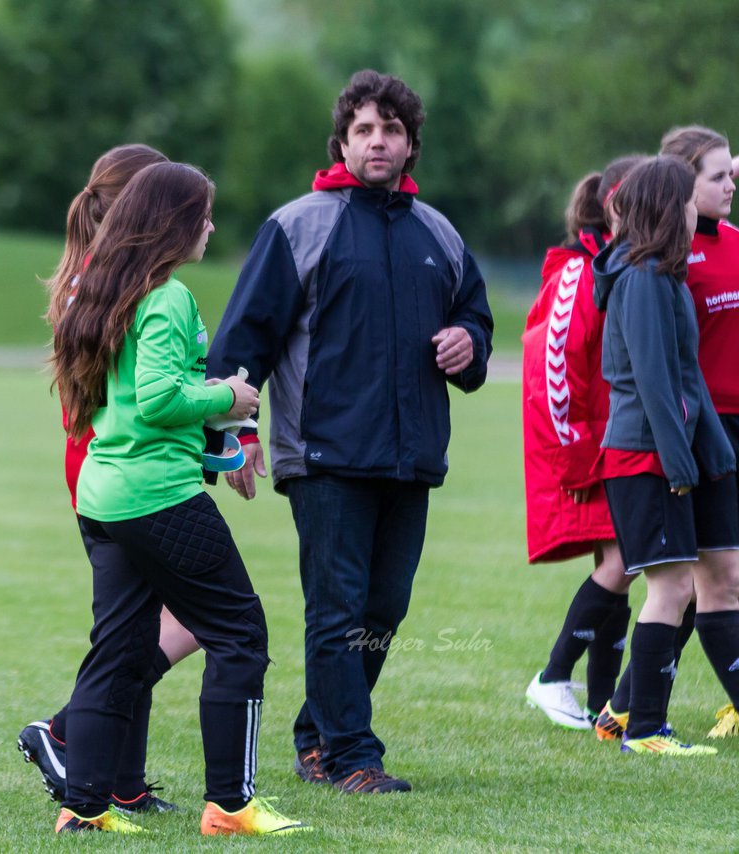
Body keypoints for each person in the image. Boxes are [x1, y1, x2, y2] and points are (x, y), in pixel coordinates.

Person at [208, 69, 493, 793]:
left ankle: (317, 735)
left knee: (382, 610)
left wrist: (469, 342)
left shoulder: (441, 234)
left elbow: (477, 322)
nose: (378, 141)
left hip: (412, 454)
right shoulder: (299, 223)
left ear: (410, 145)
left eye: (391, 130)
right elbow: (245, 340)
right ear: (343, 140)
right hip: (324, 454)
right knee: (336, 608)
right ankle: (352, 757)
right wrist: (235, 434)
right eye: (364, 129)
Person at [51, 161, 306, 836]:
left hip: (103, 496)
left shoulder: (106, 288)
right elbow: (163, 398)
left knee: (120, 649)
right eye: (205, 214)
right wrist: (231, 398)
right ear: (174, 225)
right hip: (157, 498)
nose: (212, 226)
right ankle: (231, 805)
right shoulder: (166, 297)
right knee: (240, 635)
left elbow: (133, 400)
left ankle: (84, 811)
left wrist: (208, 434)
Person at [17, 143, 198, 814]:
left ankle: (122, 778)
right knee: (184, 619)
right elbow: (147, 393)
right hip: (119, 464)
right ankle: (66, 730)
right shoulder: (117, 282)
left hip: (103, 459)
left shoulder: (89, 273)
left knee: (138, 621)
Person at [590, 154, 739, 755]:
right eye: (684, 199)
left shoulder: (660, 274)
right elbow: (655, 382)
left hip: (661, 456)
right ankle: (644, 728)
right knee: (672, 588)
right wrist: (681, 466)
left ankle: (640, 722)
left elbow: (686, 377)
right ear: (665, 207)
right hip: (642, 458)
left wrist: (713, 454)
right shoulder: (645, 277)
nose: (691, 209)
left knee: (678, 586)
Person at [521, 157, 645, 730]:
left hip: (611, 443)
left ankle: (602, 707)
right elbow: (553, 368)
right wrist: (577, 453)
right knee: (624, 561)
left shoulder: (616, 266)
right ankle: (552, 677)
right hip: (593, 447)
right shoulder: (578, 271)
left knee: (616, 565)